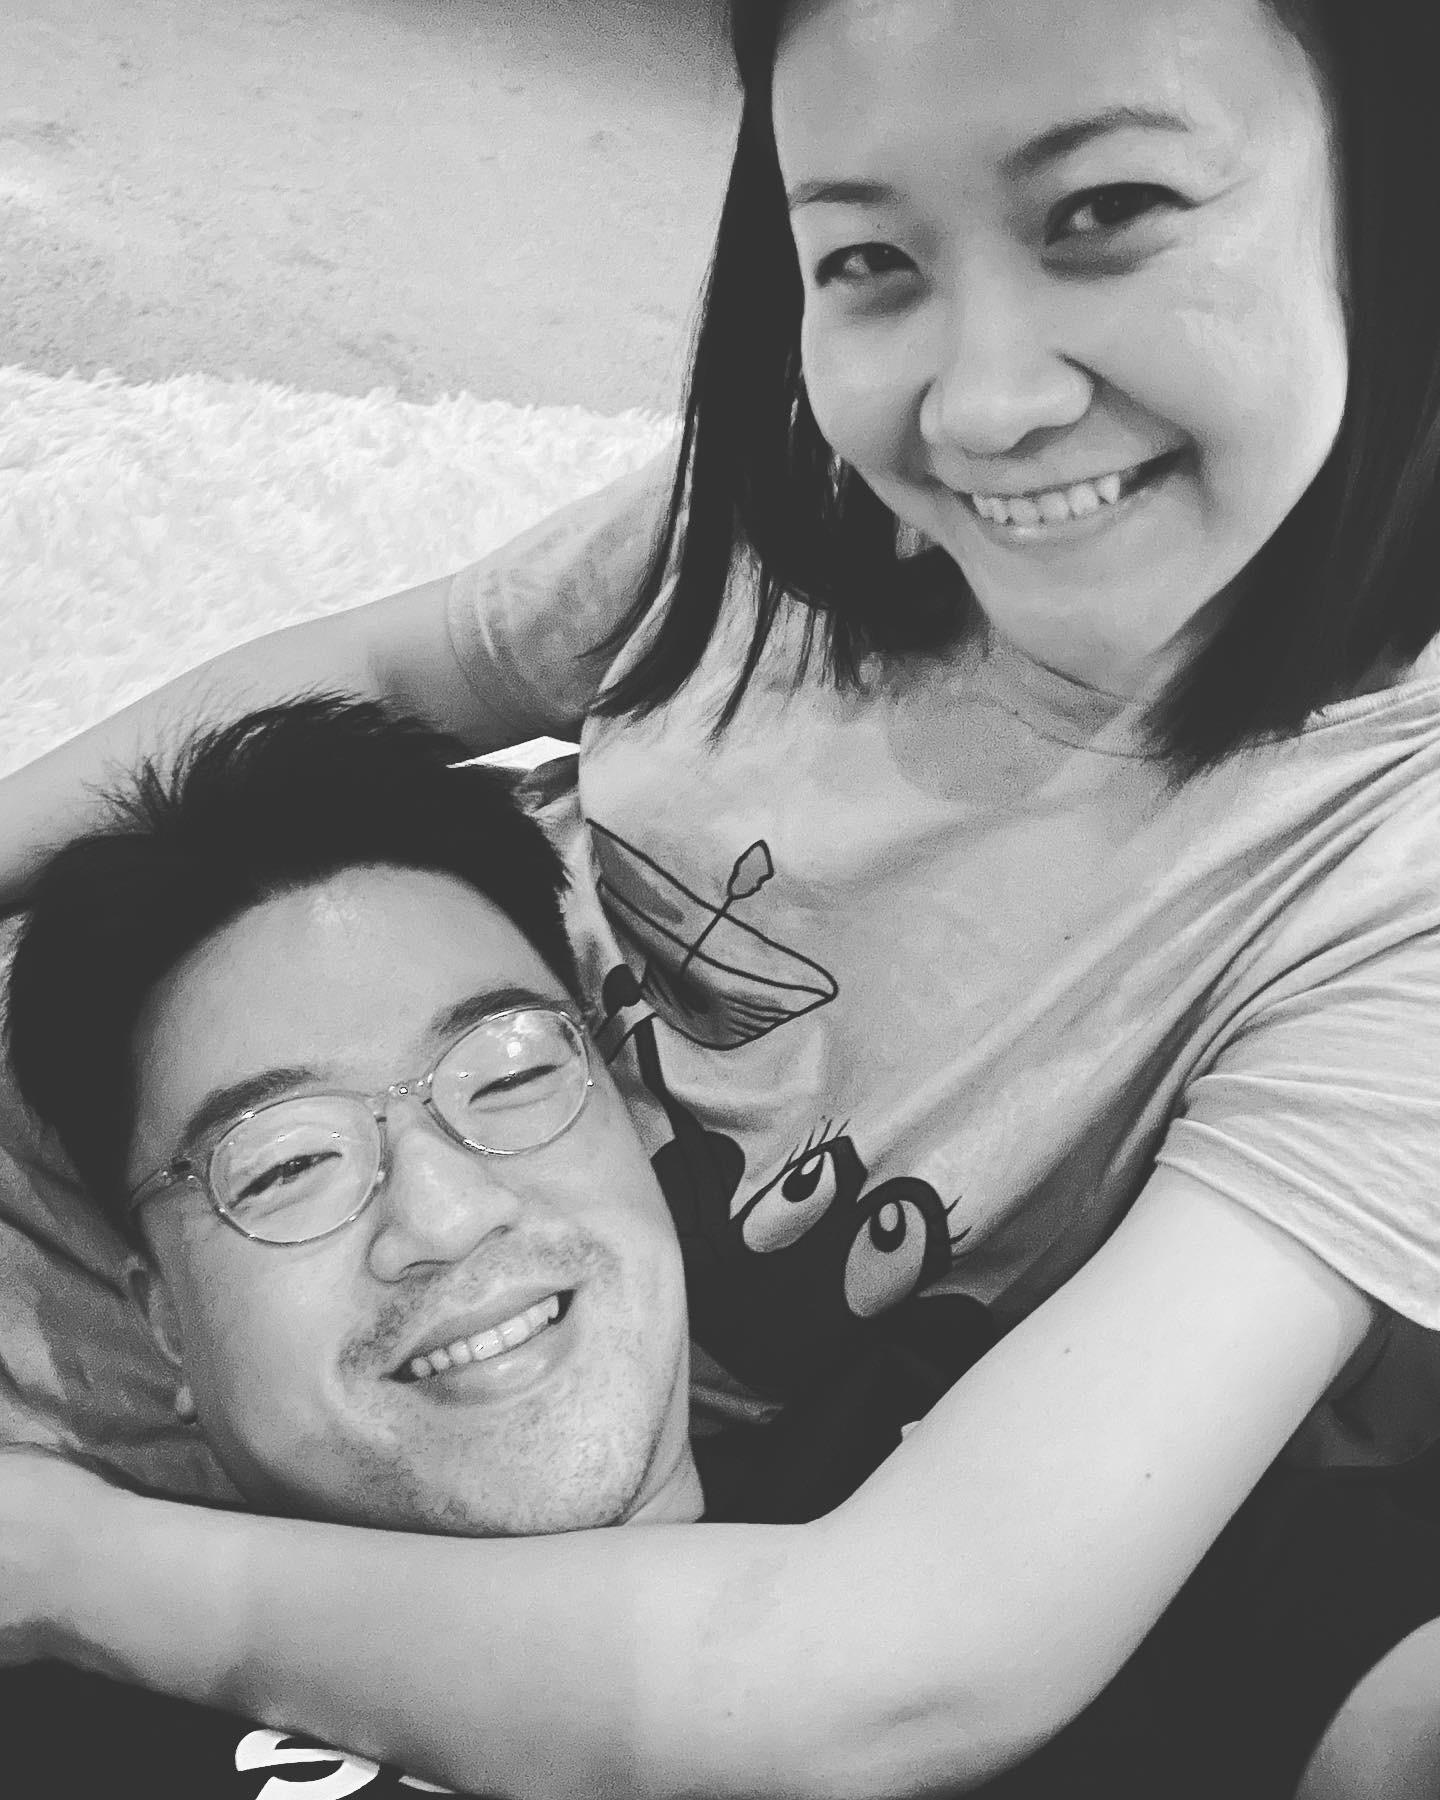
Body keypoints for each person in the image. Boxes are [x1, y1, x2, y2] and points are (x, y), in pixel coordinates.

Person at [3, 0, 1440, 1793]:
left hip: (705, 1520)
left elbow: (899, 1660)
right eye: (867, 258)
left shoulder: (1390, 885)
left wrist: (74, 1570)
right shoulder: (786, 517)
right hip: (294, 1218)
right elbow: (400, 663)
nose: (983, 404)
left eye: (1108, 211)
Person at [0, 694, 993, 1799]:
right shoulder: (55, 1729)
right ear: (166, 1326)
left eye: (511, 1073)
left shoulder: (982, 1454)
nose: (447, 1213)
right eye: (285, 1163)